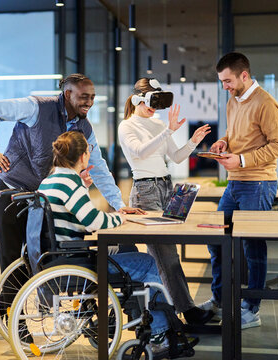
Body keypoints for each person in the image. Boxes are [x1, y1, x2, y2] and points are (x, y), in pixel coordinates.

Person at [0, 74, 145, 327]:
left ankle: (1, 309)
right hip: (10, 189)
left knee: (37, 254)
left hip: (39, 197)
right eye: (83, 96)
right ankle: (14, 321)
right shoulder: (37, 107)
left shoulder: (83, 126)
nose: (89, 101)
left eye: (92, 97)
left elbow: (98, 166)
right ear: (67, 94)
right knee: (13, 258)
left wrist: (120, 204)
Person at [38, 131, 198, 358]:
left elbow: (76, 220)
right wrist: (120, 217)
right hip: (76, 263)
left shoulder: (50, 180)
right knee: (147, 263)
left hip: (57, 258)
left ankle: (145, 323)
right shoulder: (69, 183)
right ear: (84, 156)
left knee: (127, 250)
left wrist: (83, 187)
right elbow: (92, 222)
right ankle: (160, 335)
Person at [198, 52, 278, 329]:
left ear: (243, 75)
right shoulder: (233, 101)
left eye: (227, 80)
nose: (224, 85)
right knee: (216, 238)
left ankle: (252, 308)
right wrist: (223, 142)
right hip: (235, 182)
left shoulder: (265, 103)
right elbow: (235, 134)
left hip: (258, 182)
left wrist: (243, 160)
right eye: (222, 81)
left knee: (253, 245)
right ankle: (221, 299)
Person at [118, 78, 214, 325]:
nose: (154, 107)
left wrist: (192, 141)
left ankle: (172, 311)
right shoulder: (126, 126)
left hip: (166, 186)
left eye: (157, 102)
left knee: (166, 255)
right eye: (151, 101)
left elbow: (177, 157)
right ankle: (185, 311)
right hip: (145, 190)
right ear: (138, 98)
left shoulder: (158, 123)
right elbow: (140, 152)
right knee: (166, 255)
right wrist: (168, 131)